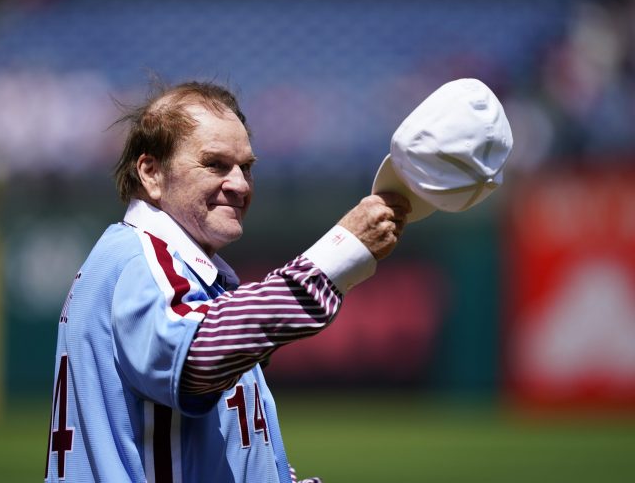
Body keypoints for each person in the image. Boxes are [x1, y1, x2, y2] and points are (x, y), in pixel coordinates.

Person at [44, 80, 410, 482]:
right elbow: (197, 356)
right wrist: (342, 254)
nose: (239, 184)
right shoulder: (141, 258)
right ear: (151, 172)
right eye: (215, 164)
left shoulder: (169, 266)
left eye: (246, 167)